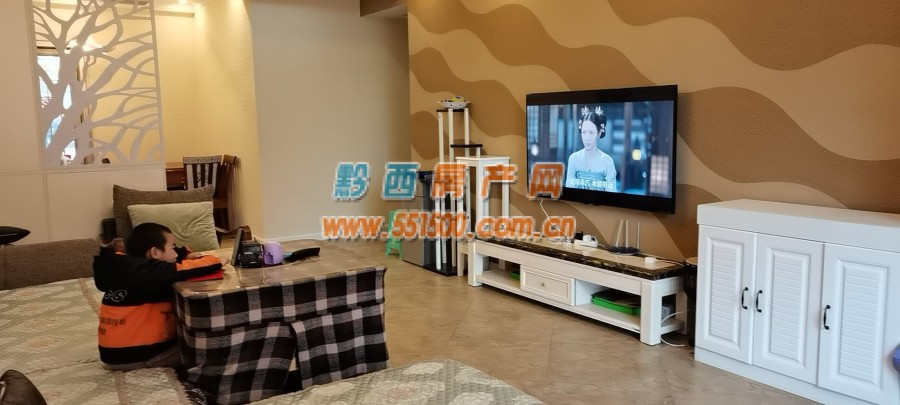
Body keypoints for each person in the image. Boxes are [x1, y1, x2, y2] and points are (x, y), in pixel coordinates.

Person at [93, 222, 222, 371]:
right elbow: (187, 268)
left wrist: (184, 253)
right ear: (155, 252)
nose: (175, 254)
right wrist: (217, 260)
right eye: (172, 248)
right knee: (206, 349)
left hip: (112, 354)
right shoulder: (152, 273)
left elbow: (171, 258)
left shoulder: (126, 267)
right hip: (138, 355)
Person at [566, 105, 617, 192]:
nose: (587, 138)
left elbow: (611, 194)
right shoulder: (574, 159)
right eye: (584, 132)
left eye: (591, 132)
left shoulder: (608, 161)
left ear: (599, 133)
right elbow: (569, 191)